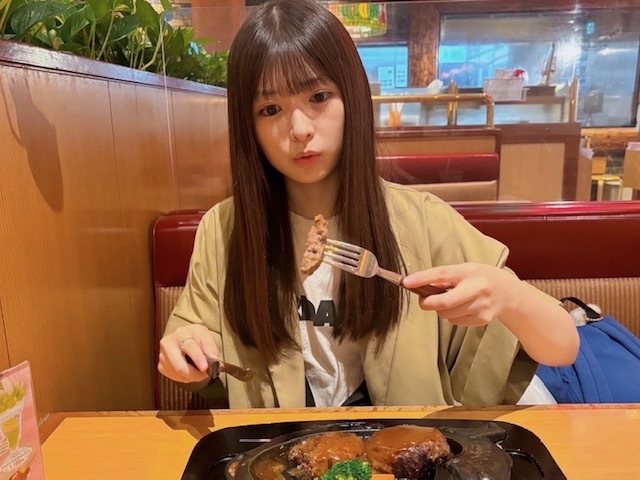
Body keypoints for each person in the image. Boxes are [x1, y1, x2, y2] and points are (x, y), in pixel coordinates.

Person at [157, 0, 579, 409]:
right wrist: (189, 354)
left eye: (318, 97)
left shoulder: (420, 220)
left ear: (353, 97)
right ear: (247, 125)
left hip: (406, 448)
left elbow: (563, 346)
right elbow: (190, 343)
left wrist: (507, 295)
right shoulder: (225, 230)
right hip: (280, 447)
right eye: (270, 109)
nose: (299, 128)